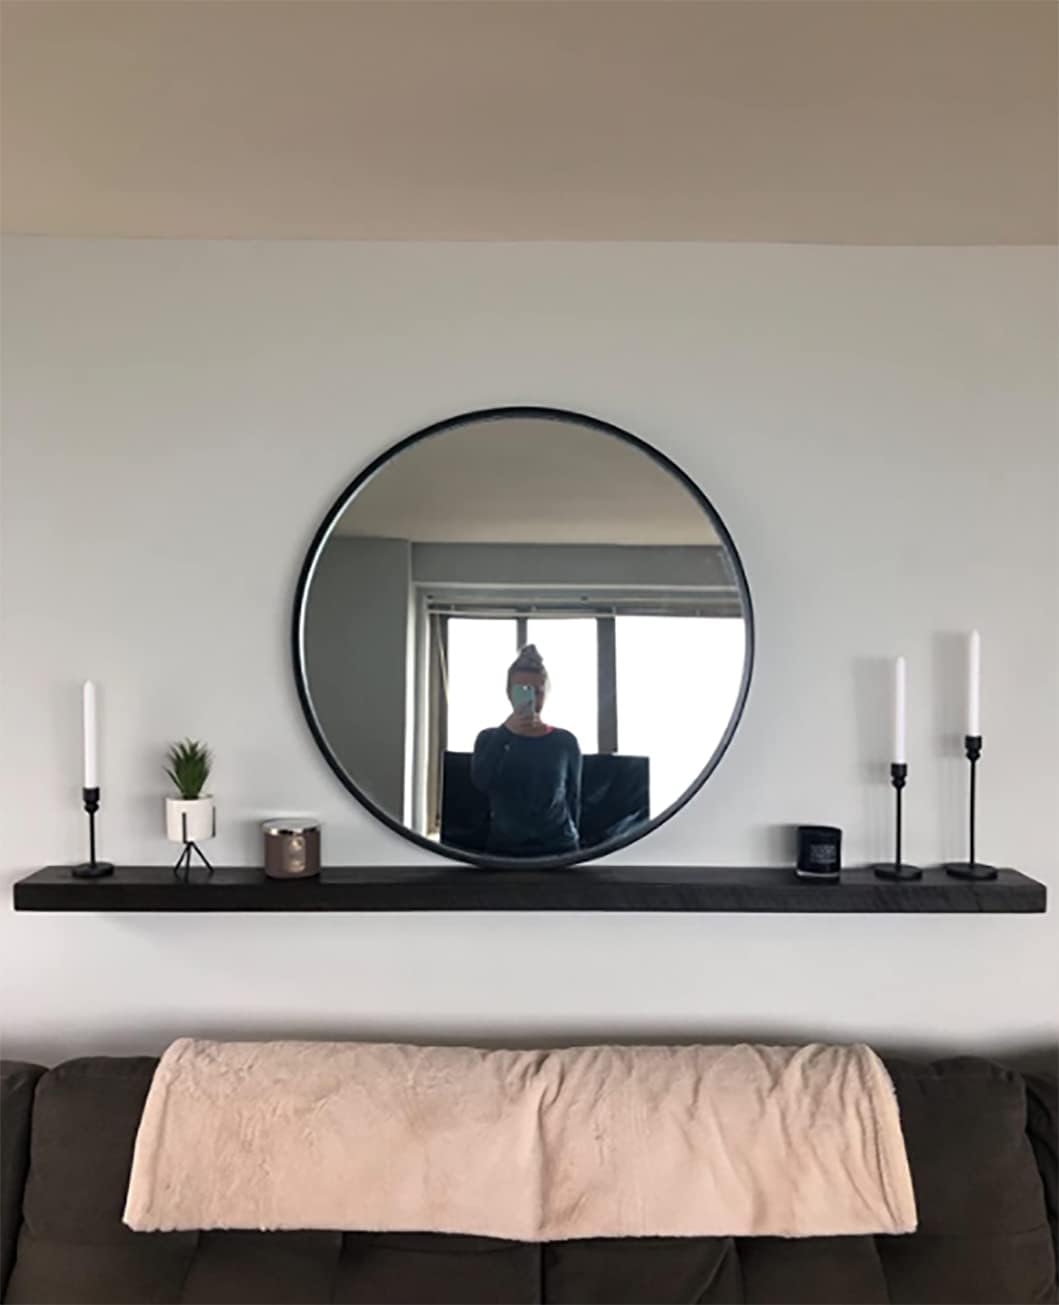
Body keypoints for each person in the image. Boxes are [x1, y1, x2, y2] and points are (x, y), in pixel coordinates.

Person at [471, 644, 582, 858]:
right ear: (509, 693)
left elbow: (574, 798)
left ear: (546, 693)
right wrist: (505, 733)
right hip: (505, 850)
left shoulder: (565, 741)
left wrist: (576, 853)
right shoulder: (489, 738)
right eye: (523, 691)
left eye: (537, 692)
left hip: (559, 847)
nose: (532, 699)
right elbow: (481, 782)